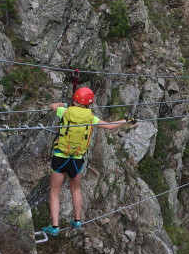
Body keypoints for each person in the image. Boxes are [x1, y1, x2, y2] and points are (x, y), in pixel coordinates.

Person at [42, 87, 136, 236]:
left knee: (54, 191)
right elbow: (110, 126)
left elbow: (53, 105)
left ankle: (54, 227)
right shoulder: (91, 118)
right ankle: (77, 220)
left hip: (60, 157)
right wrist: (125, 120)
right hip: (77, 160)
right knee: (76, 189)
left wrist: (65, 105)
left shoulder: (65, 112)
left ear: (76, 99)